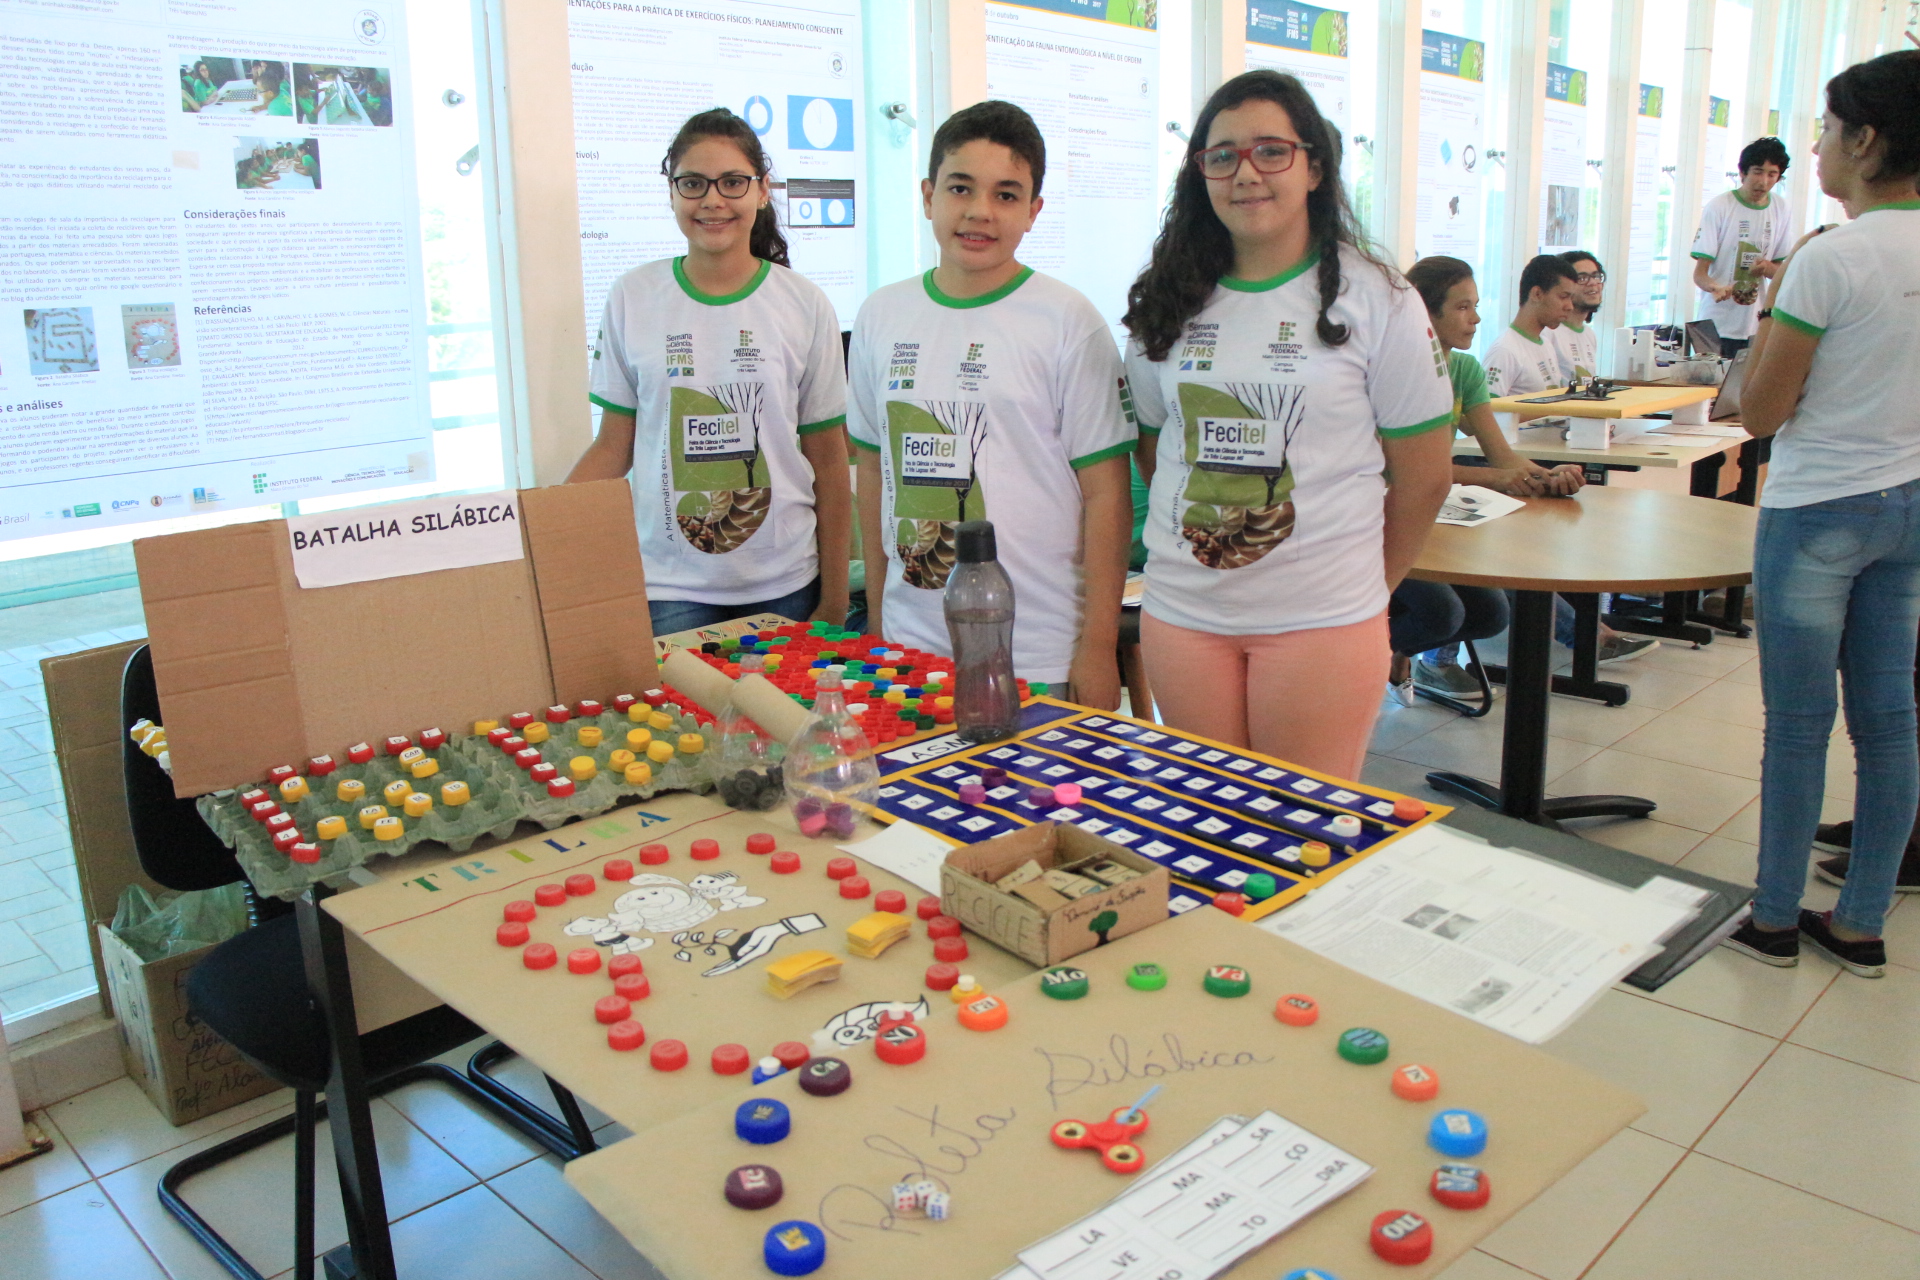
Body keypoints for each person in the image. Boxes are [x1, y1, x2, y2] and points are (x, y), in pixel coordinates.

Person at [1122, 69, 1452, 777]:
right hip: (1184, 615)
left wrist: (1367, 589)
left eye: (1271, 150)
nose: (1246, 173)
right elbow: (1159, 450)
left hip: (1322, 622)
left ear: (1314, 166)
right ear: (1199, 174)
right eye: (1222, 155)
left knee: (1305, 838)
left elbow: (1425, 477)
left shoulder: (1379, 299)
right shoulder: (1168, 299)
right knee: (1205, 825)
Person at [1721, 50, 1920, 980]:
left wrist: (1774, 300)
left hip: (1818, 509)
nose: (1815, 147)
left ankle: (1771, 919)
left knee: (1799, 723)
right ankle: (1862, 920)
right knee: (1890, 720)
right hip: (1912, 507)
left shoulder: (1830, 258)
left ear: (1868, 140)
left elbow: (1759, 413)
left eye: (1828, 129)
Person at [848, 101, 1133, 708]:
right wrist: (877, 618)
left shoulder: (1067, 321)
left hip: (1037, 653)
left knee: (1035, 806)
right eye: (960, 188)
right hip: (910, 650)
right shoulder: (881, 315)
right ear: (928, 196)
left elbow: (1107, 494)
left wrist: (1098, 646)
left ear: (1034, 211)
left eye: (1007, 195)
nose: (979, 211)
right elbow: (874, 472)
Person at [570, 108, 852, 637]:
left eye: (732, 182)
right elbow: (613, 447)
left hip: (787, 583)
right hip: (670, 589)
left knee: (785, 721)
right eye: (693, 184)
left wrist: (835, 601)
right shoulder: (633, 296)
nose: (713, 200)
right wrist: (539, 516)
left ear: (763, 191)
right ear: (672, 192)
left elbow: (830, 464)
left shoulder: (804, 303)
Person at [1387, 256, 1584, 702]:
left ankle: (1398, 650)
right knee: (1442, 613)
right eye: (1462, 307)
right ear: (1424, 311)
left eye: (1475, 306)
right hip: (1386, 517)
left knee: (1492, 613)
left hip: (1438, 517)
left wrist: (1547, 476)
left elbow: (1502, 456)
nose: (1475, 319)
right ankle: (1368, 655)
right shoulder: (1390, 370)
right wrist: (1497, 479)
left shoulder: (1466, 370)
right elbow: (1401, 470)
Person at [1691, 136, 1793, 356]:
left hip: (1757, 326)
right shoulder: (1719, 207)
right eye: (1757, 171)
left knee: (1746, 389)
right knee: (1711, 389)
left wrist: (1767, 268)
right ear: (1743, 173)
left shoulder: (1781, 208)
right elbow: (1700, 274)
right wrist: (1715, 287)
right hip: (1715, 324)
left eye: (1772, 174)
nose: (1763, 181)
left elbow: (1781, 273)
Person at [1483, 254, 1579, 397]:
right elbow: (1491, 411)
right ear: (1537, 294)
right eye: (1563, 297)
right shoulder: (1505, 350)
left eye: (1571, 299)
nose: (1570, 306)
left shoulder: (1546, 344)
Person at [1552, 249, 1604, 381]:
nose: (1592, 283)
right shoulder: (1549, 333)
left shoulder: (1589, 335)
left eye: (1596, 276)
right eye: (1582, 278)